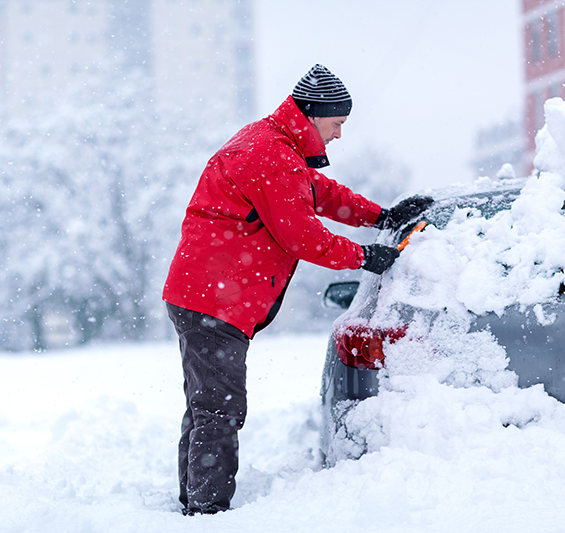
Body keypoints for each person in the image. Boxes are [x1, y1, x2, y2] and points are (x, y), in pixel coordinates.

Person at [162, 64, 432, 515]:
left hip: (204, 293)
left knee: (207, 404)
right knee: (219, 408)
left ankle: (195, 501)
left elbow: (317, 193)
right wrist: (365, 257)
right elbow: (301, 236)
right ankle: (206, 511)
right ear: (314, 114)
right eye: (337, 123)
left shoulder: (274, 144)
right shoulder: (270, 152)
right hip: (213, 299)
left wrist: (380, 216)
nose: (339, 134)